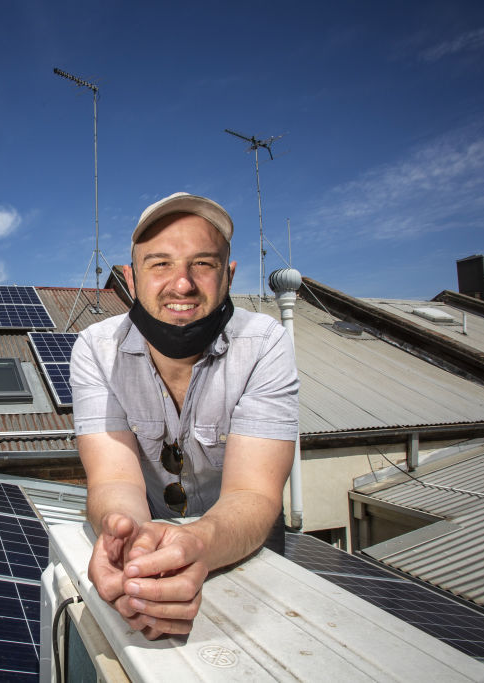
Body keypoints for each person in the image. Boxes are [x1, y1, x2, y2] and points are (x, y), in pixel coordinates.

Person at [70, 192, 299, 640]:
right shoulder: (95, 351)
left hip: (242, 554)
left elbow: (254, 491)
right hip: (147, 551)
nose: (182, 284)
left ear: (228, 276)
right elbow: (113, 481)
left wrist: (198, 543)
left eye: (203, 264)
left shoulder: (267, 344)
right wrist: (128, 542)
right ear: (131, 280)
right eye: (159, 264)